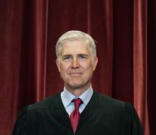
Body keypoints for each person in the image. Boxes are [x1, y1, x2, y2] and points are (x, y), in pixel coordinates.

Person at [12, 30, 143, 135]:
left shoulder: (122, 115)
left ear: (95, 63)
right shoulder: (32, 117)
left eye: (82, 57)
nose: (75, 65)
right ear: (58, 65)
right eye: (67, 58)